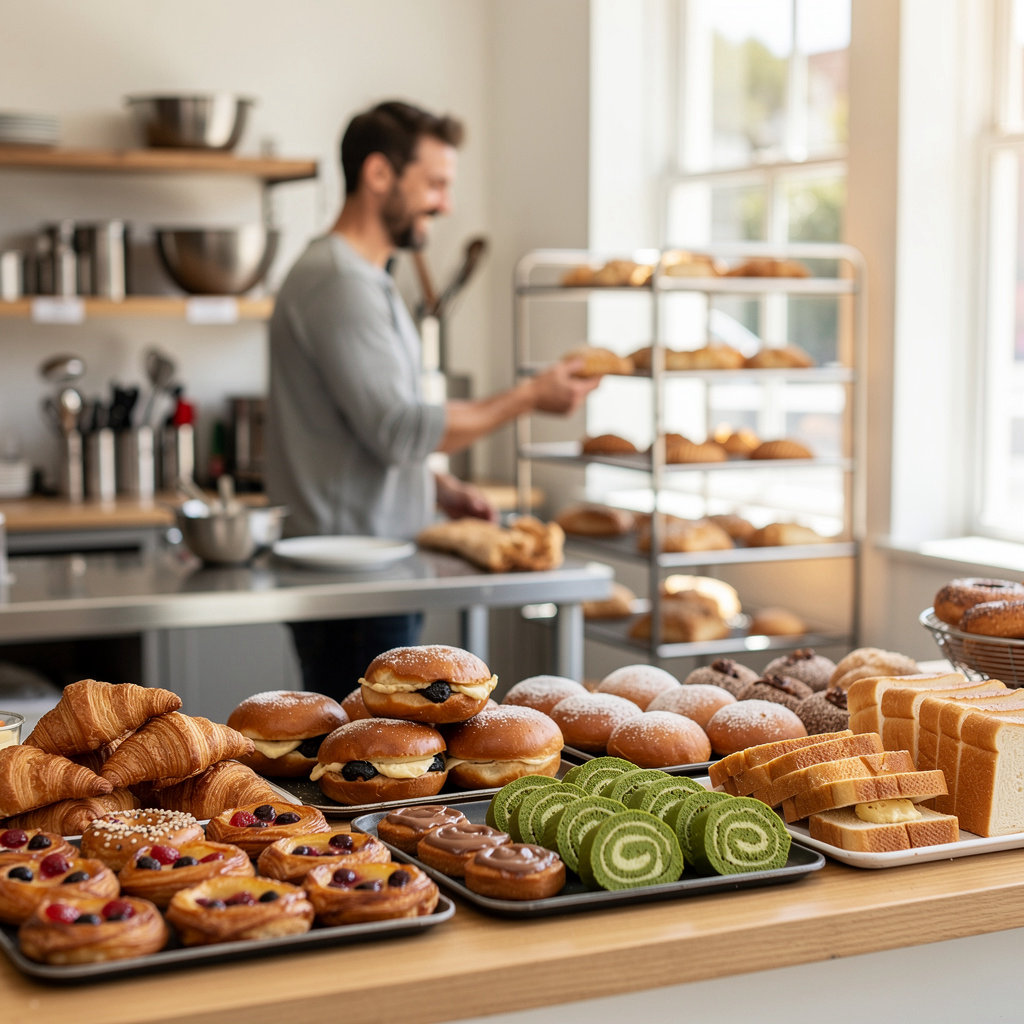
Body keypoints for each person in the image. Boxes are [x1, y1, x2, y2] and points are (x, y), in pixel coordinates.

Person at [265, 99, 601, 700]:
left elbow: (365, 429)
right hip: (354, 579)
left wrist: (437, 490)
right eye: (436, 184)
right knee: (369, 766)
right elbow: (398, 427)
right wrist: (530, 395)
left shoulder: (368, 278)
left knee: (380, 762)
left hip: (372, 566)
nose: (445, 204)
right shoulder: (340, 282)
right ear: (378, 175)